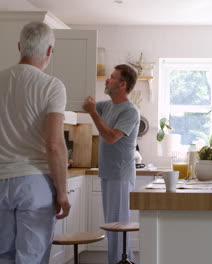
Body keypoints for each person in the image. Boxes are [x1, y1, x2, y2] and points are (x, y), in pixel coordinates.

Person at [0, 22, 71, 263]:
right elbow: (54, 144)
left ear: (20, 47)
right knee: (32, 257)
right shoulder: (52, 86)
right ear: (50, 51)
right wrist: (62, 192)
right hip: (34, 183)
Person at [82, 64, 140, 264]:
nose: (107, 80)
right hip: (108, 172)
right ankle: (119, 261)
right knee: (112, 226)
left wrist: (93, 113)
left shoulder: (130, 111)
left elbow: (111, 137)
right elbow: (81, 104)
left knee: (118, 226)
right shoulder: (107, 105)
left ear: (122, 85)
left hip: (120, 175)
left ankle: (121, 262)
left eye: (112, 78)